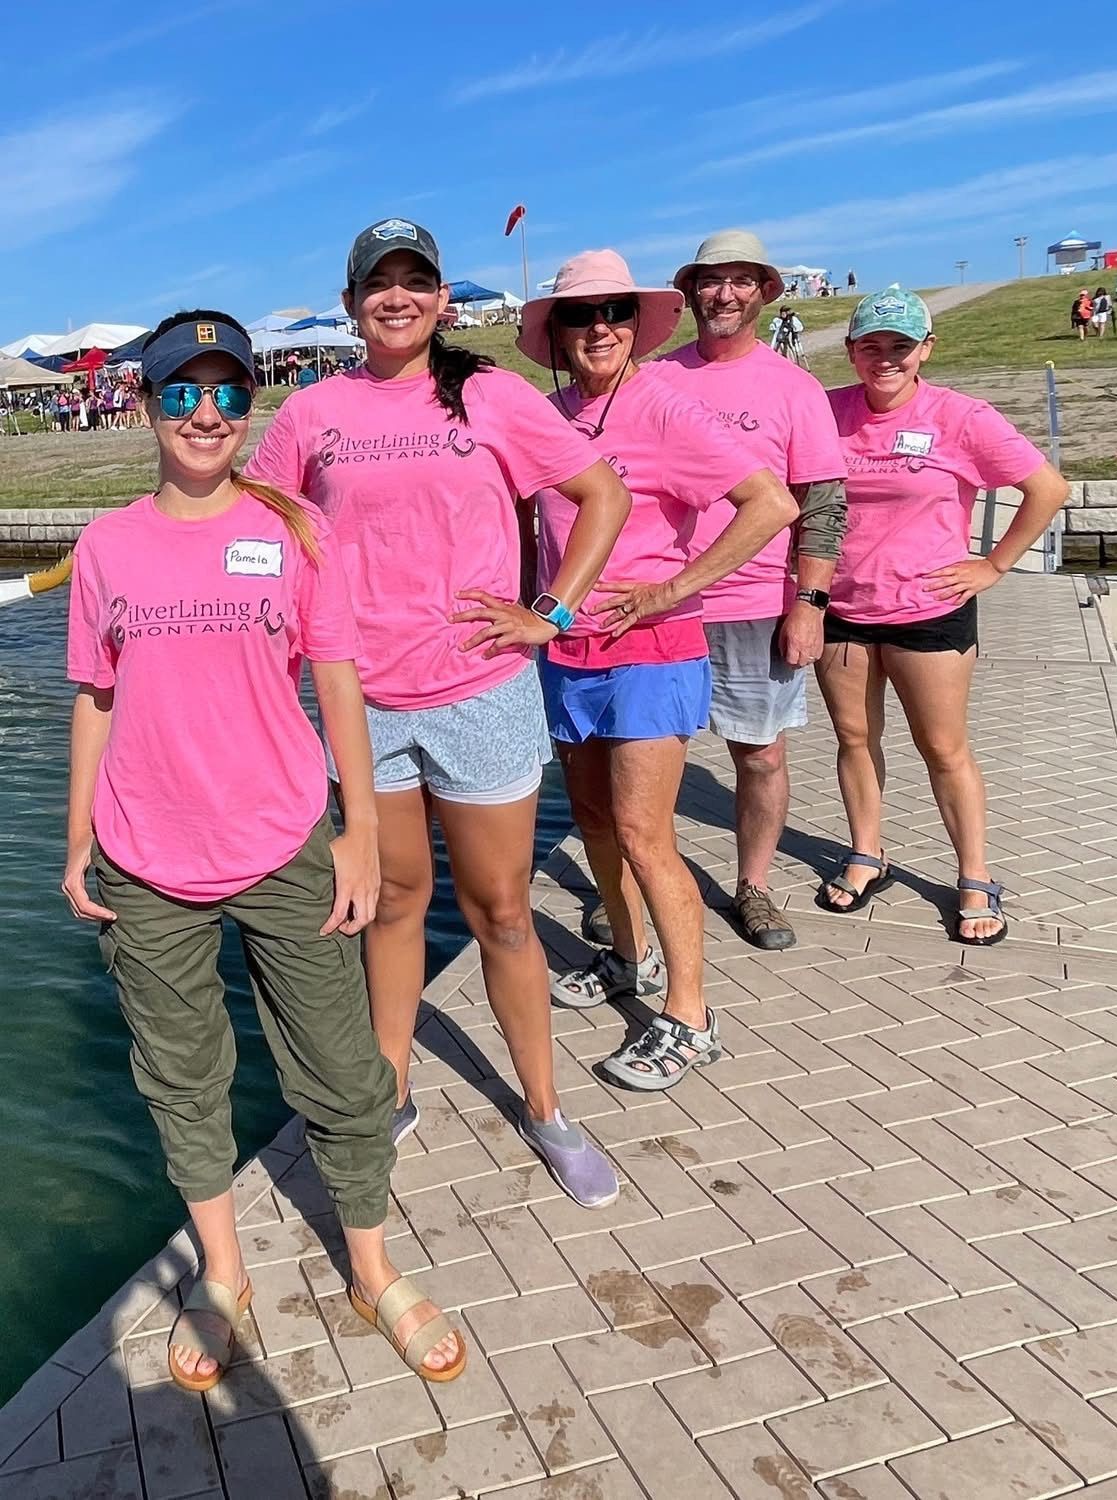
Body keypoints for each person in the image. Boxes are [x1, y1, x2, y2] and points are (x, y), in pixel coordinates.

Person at [62, 309, 467, 1390]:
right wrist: (76, 843)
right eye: (182, 392)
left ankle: (371, 1266)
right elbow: (96, 697)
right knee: (182, 1077)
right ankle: (223, 1274)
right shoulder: (104, 547)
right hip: (144, 855)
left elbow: (336, 677)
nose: (205, 413)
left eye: (228, 392)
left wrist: (360, 830)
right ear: (143, 404)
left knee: (340, 1064)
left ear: (252, 406)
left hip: (286, 838)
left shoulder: (292, 532)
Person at [248, 219, 629, 1207]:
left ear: (442, 301)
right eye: (379, 282)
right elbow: (262, 531)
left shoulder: (492, 393)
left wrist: (549, 613)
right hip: (361, 702)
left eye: (417, 280)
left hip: (480, 693)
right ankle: (390, 1094)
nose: (398, 296)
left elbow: (602, 496)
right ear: (350, 304)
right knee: (391, 906)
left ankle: (544, 1109)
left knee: (501, 910)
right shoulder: (312, 411)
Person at [519, 250, 797, 1089]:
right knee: (596, 824)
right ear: (557, 332)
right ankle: (627, 957)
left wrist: (673, 588)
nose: (597, 328)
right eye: (579, 314)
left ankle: (691, 1014)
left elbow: (773, 504)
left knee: (645, 834)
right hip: (567, 651)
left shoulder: (666, 408)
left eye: (613, 312)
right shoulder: (545, 414)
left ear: (637, 323)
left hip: (652, 649)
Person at [817, 287, 1069, 945]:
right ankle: (868, 852)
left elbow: (1048, 488)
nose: (885, 359)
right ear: (851, 351)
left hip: (928, 610)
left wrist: (994, 564)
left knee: (943, 748)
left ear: (925, 349)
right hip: (843, 608)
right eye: (871, 346)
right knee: (853, 737)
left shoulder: (961, 417)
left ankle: (975, 874)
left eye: (900, 346)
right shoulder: (825, 413)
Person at [642, 228, 846, 950]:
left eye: (739, 280)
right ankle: (640, 881)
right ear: (690, 291)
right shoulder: (654, 378)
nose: (722, 294)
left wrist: (810, 603)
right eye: (709, 280)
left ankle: (752, 885)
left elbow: (821, 503)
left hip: (755, 604)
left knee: (759, 753)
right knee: (644, 756)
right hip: (658, 603)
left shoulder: (793, 388)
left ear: (763, 291)